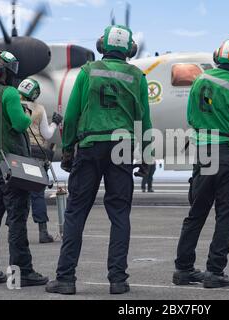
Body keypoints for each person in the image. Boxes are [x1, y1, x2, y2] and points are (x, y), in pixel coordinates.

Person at [46, 25, 152, 295]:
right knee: (119, 215)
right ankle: (118, 280)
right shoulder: (137, 76)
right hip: (122, 148)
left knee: (76, 213)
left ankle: (66, 279)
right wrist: (148, 156)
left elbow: (70, 116)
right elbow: (144, 121)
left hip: (91, 145)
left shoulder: (87, 72)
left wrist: (68, 149)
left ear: (102, 46)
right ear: (130, 50)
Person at [173, 36, 229, 288]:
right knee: (225, 215)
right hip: (228, 155)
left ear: (217, 55)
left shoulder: (199, 81)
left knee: (196, 213)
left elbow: (191, 117)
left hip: (203, 153)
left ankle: (183, 269)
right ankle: (214, 271)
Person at [0, 51, 48, 287]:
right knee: (17, 217)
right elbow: (20, 124)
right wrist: (27, 115)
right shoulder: (8, 94)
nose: (12, 73)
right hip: (11, 164)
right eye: (9, 69)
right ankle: (22, 273)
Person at [17, 78, 63, 244]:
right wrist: (55, 122)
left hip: (18, 155)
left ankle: (16, 232)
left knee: (17, 195)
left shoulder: (13, 106)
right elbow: (48, 135)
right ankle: (43, 232)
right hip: (36, 155)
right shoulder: (39, 109)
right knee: (37, 195)